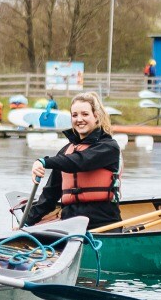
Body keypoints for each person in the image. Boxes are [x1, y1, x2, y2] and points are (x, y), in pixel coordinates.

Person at [20, 92, 122, 230]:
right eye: (75, 115)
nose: (79, 119)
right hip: (70, 225)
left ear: (96, 117)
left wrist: (44, 162)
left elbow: (81, 161)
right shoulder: (65, 152)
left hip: (102, 224)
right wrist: (27, 222)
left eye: (85, 114)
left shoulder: (109, 147)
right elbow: (50, 195)